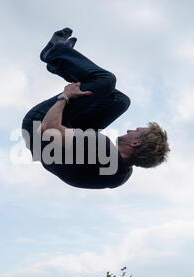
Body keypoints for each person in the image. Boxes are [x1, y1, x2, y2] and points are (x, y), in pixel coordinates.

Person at [22, 28, 170, 189]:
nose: (129, 131)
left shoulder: (100, 147)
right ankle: (60, 63)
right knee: (119, 101)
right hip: (54, 145)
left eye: (135, 131)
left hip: (39, 124)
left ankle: (54, 52)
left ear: (135, 143)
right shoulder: (121, 176)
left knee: (106, 81)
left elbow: (48, 129)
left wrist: (65, 96)